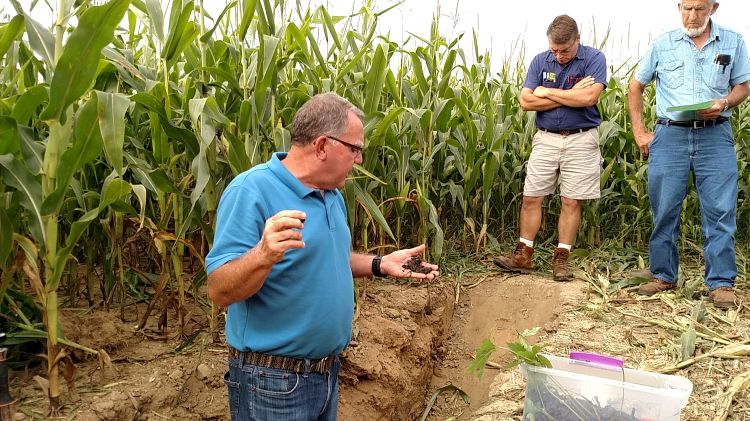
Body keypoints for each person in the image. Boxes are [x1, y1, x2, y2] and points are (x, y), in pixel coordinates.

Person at [205, 92, 439, 421]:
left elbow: (330, 259)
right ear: (322, 146)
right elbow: (218, 289)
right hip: (272, 382)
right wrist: (262, 254)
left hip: (325, 374)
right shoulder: (251, 191)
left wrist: (380, 264)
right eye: (355, 149)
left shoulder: (331, 195)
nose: (359, 159)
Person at [627, 0, 750, 309]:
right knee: (665, 208)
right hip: (670, 136)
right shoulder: (663, 43)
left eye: (699, 8)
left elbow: (743, 86)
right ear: (678, 7)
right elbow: (635, 86)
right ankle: (663, 275)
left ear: (714, 8)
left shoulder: (733, 41)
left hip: (715, 135)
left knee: (720, 211)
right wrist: (640, 132)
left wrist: (723, 103)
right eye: (686, 8)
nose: (692, 15)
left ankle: (720, 283)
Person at [493, 15, 607, 281]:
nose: (559, 56)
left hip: (581, 138)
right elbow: (525, 102)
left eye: (565, 50)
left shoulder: (594, 59)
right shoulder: (539, 60)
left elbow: (589, 97)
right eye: (554, 50)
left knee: (570, 200)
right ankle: (523, 255)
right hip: (545, 138)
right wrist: (570, 96)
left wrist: (545, 91)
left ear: (577, 40)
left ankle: (561, 259)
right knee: (532, 196)